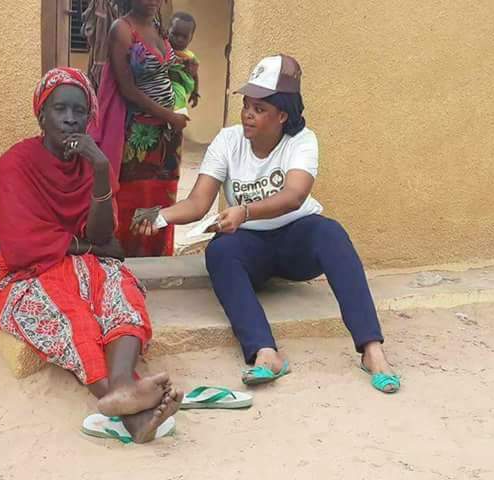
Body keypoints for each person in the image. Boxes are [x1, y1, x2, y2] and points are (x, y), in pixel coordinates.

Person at [131, 55, 401, 394]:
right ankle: (265, 352)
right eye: (246, 105)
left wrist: (243, 212)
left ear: (282, 115)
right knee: (220, 252)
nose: (247, 114)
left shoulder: (302, 141)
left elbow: (295, 196)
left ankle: (372, 350)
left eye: (259, 109)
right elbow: (199, 203)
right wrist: (159, 216)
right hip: (251, 248)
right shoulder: (228, 141)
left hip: (296, 242)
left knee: (331, 233)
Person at [0, 67, 183, 443]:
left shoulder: (94, 161)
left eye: (79, 110)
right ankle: (131, 412)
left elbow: (103, 236)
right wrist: (88, 247)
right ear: (41, 115)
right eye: (60, 109)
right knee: (72, 316)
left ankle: (124, 386)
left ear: (89, 118)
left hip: (88, 264)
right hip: (28, 273)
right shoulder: (15, 162)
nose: (70, 118)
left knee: (121, 291)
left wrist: (101, 169)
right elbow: (20, 245)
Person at [93, 0, 189, 258]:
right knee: (133, 202)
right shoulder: (122, 29)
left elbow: (167, 73)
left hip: (168, 135)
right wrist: (169, 115)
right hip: (138, 135)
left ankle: (158, 264)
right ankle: (128, 266)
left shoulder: (159, 26)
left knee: (163, 200)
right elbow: (127, 89)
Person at [168, 12, 200, 112]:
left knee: (178, 113)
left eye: (184, 37)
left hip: (178, 93)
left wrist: (195, 92)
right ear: (167, 30)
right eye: (175, 34)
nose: (179, 39)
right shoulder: (163, 48)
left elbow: (195, 75)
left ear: (191, 38)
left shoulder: (189, 57)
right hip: (158, 91)